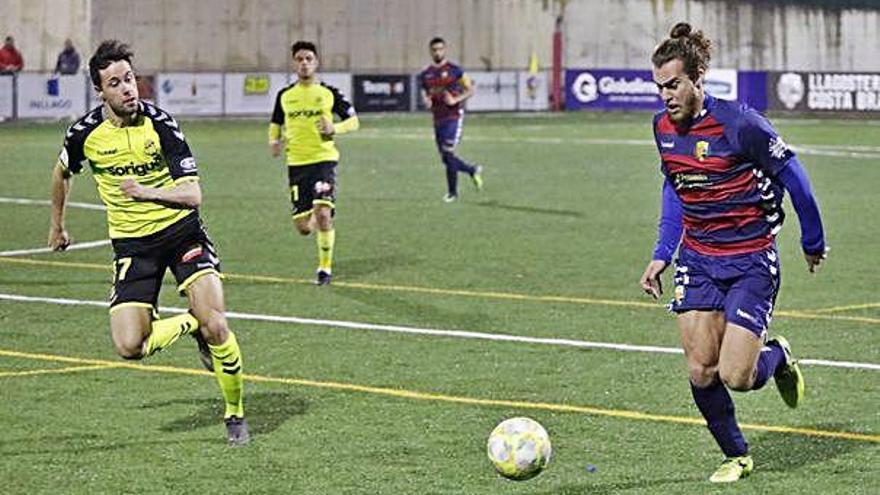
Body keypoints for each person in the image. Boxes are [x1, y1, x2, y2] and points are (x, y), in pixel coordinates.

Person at [638, 22, 827, 483]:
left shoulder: (740, 124)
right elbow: (675, 186)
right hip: (699, 261)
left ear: (699, 78)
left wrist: (812, 240)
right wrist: (664, 251)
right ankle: (736, 455)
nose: (666, 96)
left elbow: (795, 177)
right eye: (660, 87)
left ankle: (777, 356)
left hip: (750, 261)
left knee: (737, 376)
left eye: (675, 85)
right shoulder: (662, 128)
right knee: (701, 369)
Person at [48, 40, 249, 446]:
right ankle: (193, 323)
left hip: (182, 234)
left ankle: (235, 414)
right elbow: (62, 172)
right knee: (129, 345)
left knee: (219, 323)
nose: (128, 89)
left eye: (130, 79)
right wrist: (57, 225)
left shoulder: (162, 125)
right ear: (100, 91)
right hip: (133, 247)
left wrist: (146, 192)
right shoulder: (84, 134)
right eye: (116, 83)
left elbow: (193, 195)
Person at [269, 40, 359, 286]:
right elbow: (275, 123)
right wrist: (274, 141)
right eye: (300, 59)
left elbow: (354, 121)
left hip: (324, 160)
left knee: (322, 213)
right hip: (296, 164)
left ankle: (324, 269)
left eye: (309, 58)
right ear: (294, 63)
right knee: (303, 227)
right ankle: (322, 216)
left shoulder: (329, 92)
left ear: (316, 62)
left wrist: (335, 128)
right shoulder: (285, 96)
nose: (304, 63)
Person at [418, 37, 483, 202]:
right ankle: (463, 179)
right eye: (434, 49)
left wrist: (456, 100)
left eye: (440, 49)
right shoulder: (426, 74)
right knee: (446, 158)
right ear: (430, 51)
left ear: (445, 50)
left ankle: (461, 182)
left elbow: (471, 89)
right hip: (437, 119)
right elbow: (425, 93)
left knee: (448, 153)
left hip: (453, 117)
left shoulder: (455, 71)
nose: (437, 52)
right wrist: (426, 100)